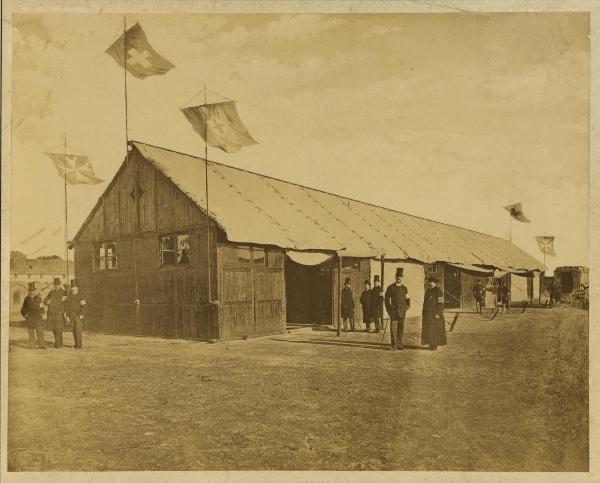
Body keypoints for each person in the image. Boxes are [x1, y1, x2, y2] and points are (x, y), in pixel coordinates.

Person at [384, 267, 410, 350]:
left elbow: (407, 298)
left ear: (402, 278)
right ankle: (393, 345)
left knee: (400, 329)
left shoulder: (405, 288)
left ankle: (399, 344)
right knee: (393, 329)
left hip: (402, 312)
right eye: (397, 277)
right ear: (395, 277)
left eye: (400, 277)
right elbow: (387, 299)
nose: (399, 278)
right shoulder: (390, 288)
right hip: (394, 312)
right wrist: (388, 310)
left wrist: (408, 306)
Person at [421, 276, 447, 351]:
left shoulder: (439, 292)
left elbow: (440, 303)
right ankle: (430, 343)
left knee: (434, 330)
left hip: (435, 315)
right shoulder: (428, 291)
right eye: (429, 282)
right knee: (428, 329)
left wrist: (438, 313)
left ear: (435, 283)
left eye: (431, 282)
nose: (430, 283)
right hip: (427, 315)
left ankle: (434, 345)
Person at [20, 282, 46, 349]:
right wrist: (25, 315)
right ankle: (32, 345)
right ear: (29, 291)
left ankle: (42, 345)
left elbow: (42, 307)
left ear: (35, 291)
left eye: (33, 291)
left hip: (38, 317)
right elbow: (23, 309)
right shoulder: (26, 299)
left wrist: (42, 312)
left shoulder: (39, 298)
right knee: (31, 333)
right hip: (30, 318)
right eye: (30, 291)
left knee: (40, 332)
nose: (32, 292)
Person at [44, 277, 66, 348]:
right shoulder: (51, 292)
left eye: (58, 285)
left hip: (59, 313)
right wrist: (47, 302)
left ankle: (59, 344)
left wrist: (62, 311)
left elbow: (65, 303)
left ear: (60, 285)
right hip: (51, 314)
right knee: (53, 328)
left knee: (58, 329)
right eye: (55, 285)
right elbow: (45, 300)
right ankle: (57, 342)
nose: (56, 286)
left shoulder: (64, 292)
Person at [66, 280, 87, 349]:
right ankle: (76, 344)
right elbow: (67, 306)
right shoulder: (69, 296)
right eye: (72, 287)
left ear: (77, 288)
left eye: (74, 287)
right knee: (74, 330)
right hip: (71, 315)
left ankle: (79, 345)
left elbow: (84, 306)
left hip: (78, 315)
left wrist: (82, 314)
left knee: (78, 330)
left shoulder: (81, 296)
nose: (72, 289)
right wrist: (67, 316)